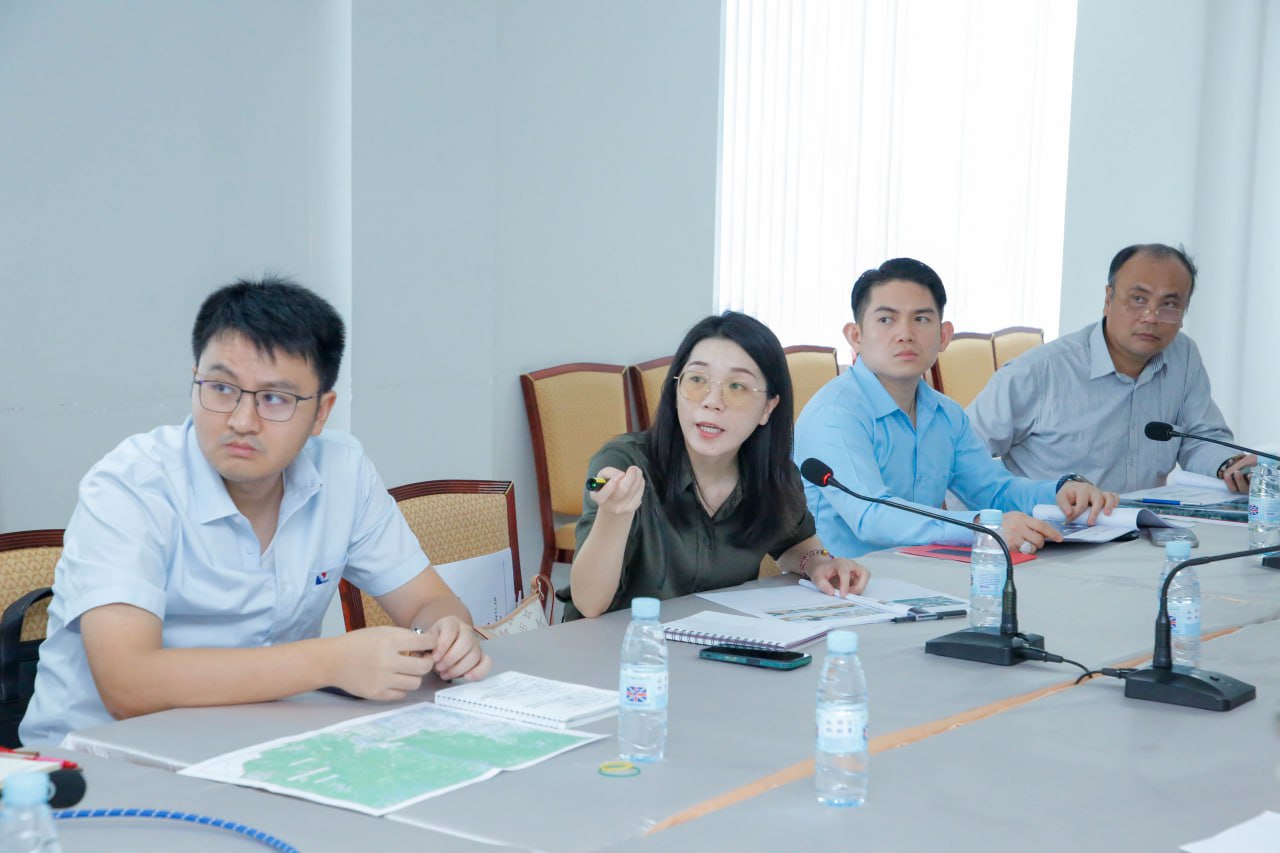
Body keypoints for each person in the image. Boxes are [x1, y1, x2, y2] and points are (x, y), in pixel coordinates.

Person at [21, 277, 490, 746]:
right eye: (221, 388)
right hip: (97, 759)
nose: (241, 421)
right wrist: (331, 662)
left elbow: (429, 602)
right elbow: (128, 686)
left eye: (274, 399)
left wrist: (445, 634)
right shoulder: (131, 485)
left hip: (257, 745)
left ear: (321, 412)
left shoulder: (342, 471)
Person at [794, 258, 1117, 560]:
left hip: (921, 574)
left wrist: (1061, 491)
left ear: (944, 336)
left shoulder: (945, 414)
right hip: (837, 583)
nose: (905, 334)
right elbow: (871, 516)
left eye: (921, 319)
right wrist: (982, 527)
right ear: (856, 336)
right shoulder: (835, 415)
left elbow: (994, 490)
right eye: (886, 319)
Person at [565, 312, 870, 620]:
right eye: (697, 380)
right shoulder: (625, 463)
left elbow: (795, 541)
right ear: (675, 390)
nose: (712, 401)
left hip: (717, 642)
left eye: (737, 386)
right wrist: (614, 515)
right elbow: (590, 604)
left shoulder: (771, 475)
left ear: (768, 407)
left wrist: (818, 564)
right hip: (625, 643)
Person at [967, 243, 1255, 494]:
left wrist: (1228, 465)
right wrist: (986, 523)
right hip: (1051, 531)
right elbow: (961, 457)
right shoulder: (1038, 373)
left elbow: (1199, 439)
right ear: (1108, 299)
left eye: (1169, 304)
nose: (1151, 317)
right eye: (1138, 299)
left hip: (1142, 528)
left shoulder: (1184, 356)